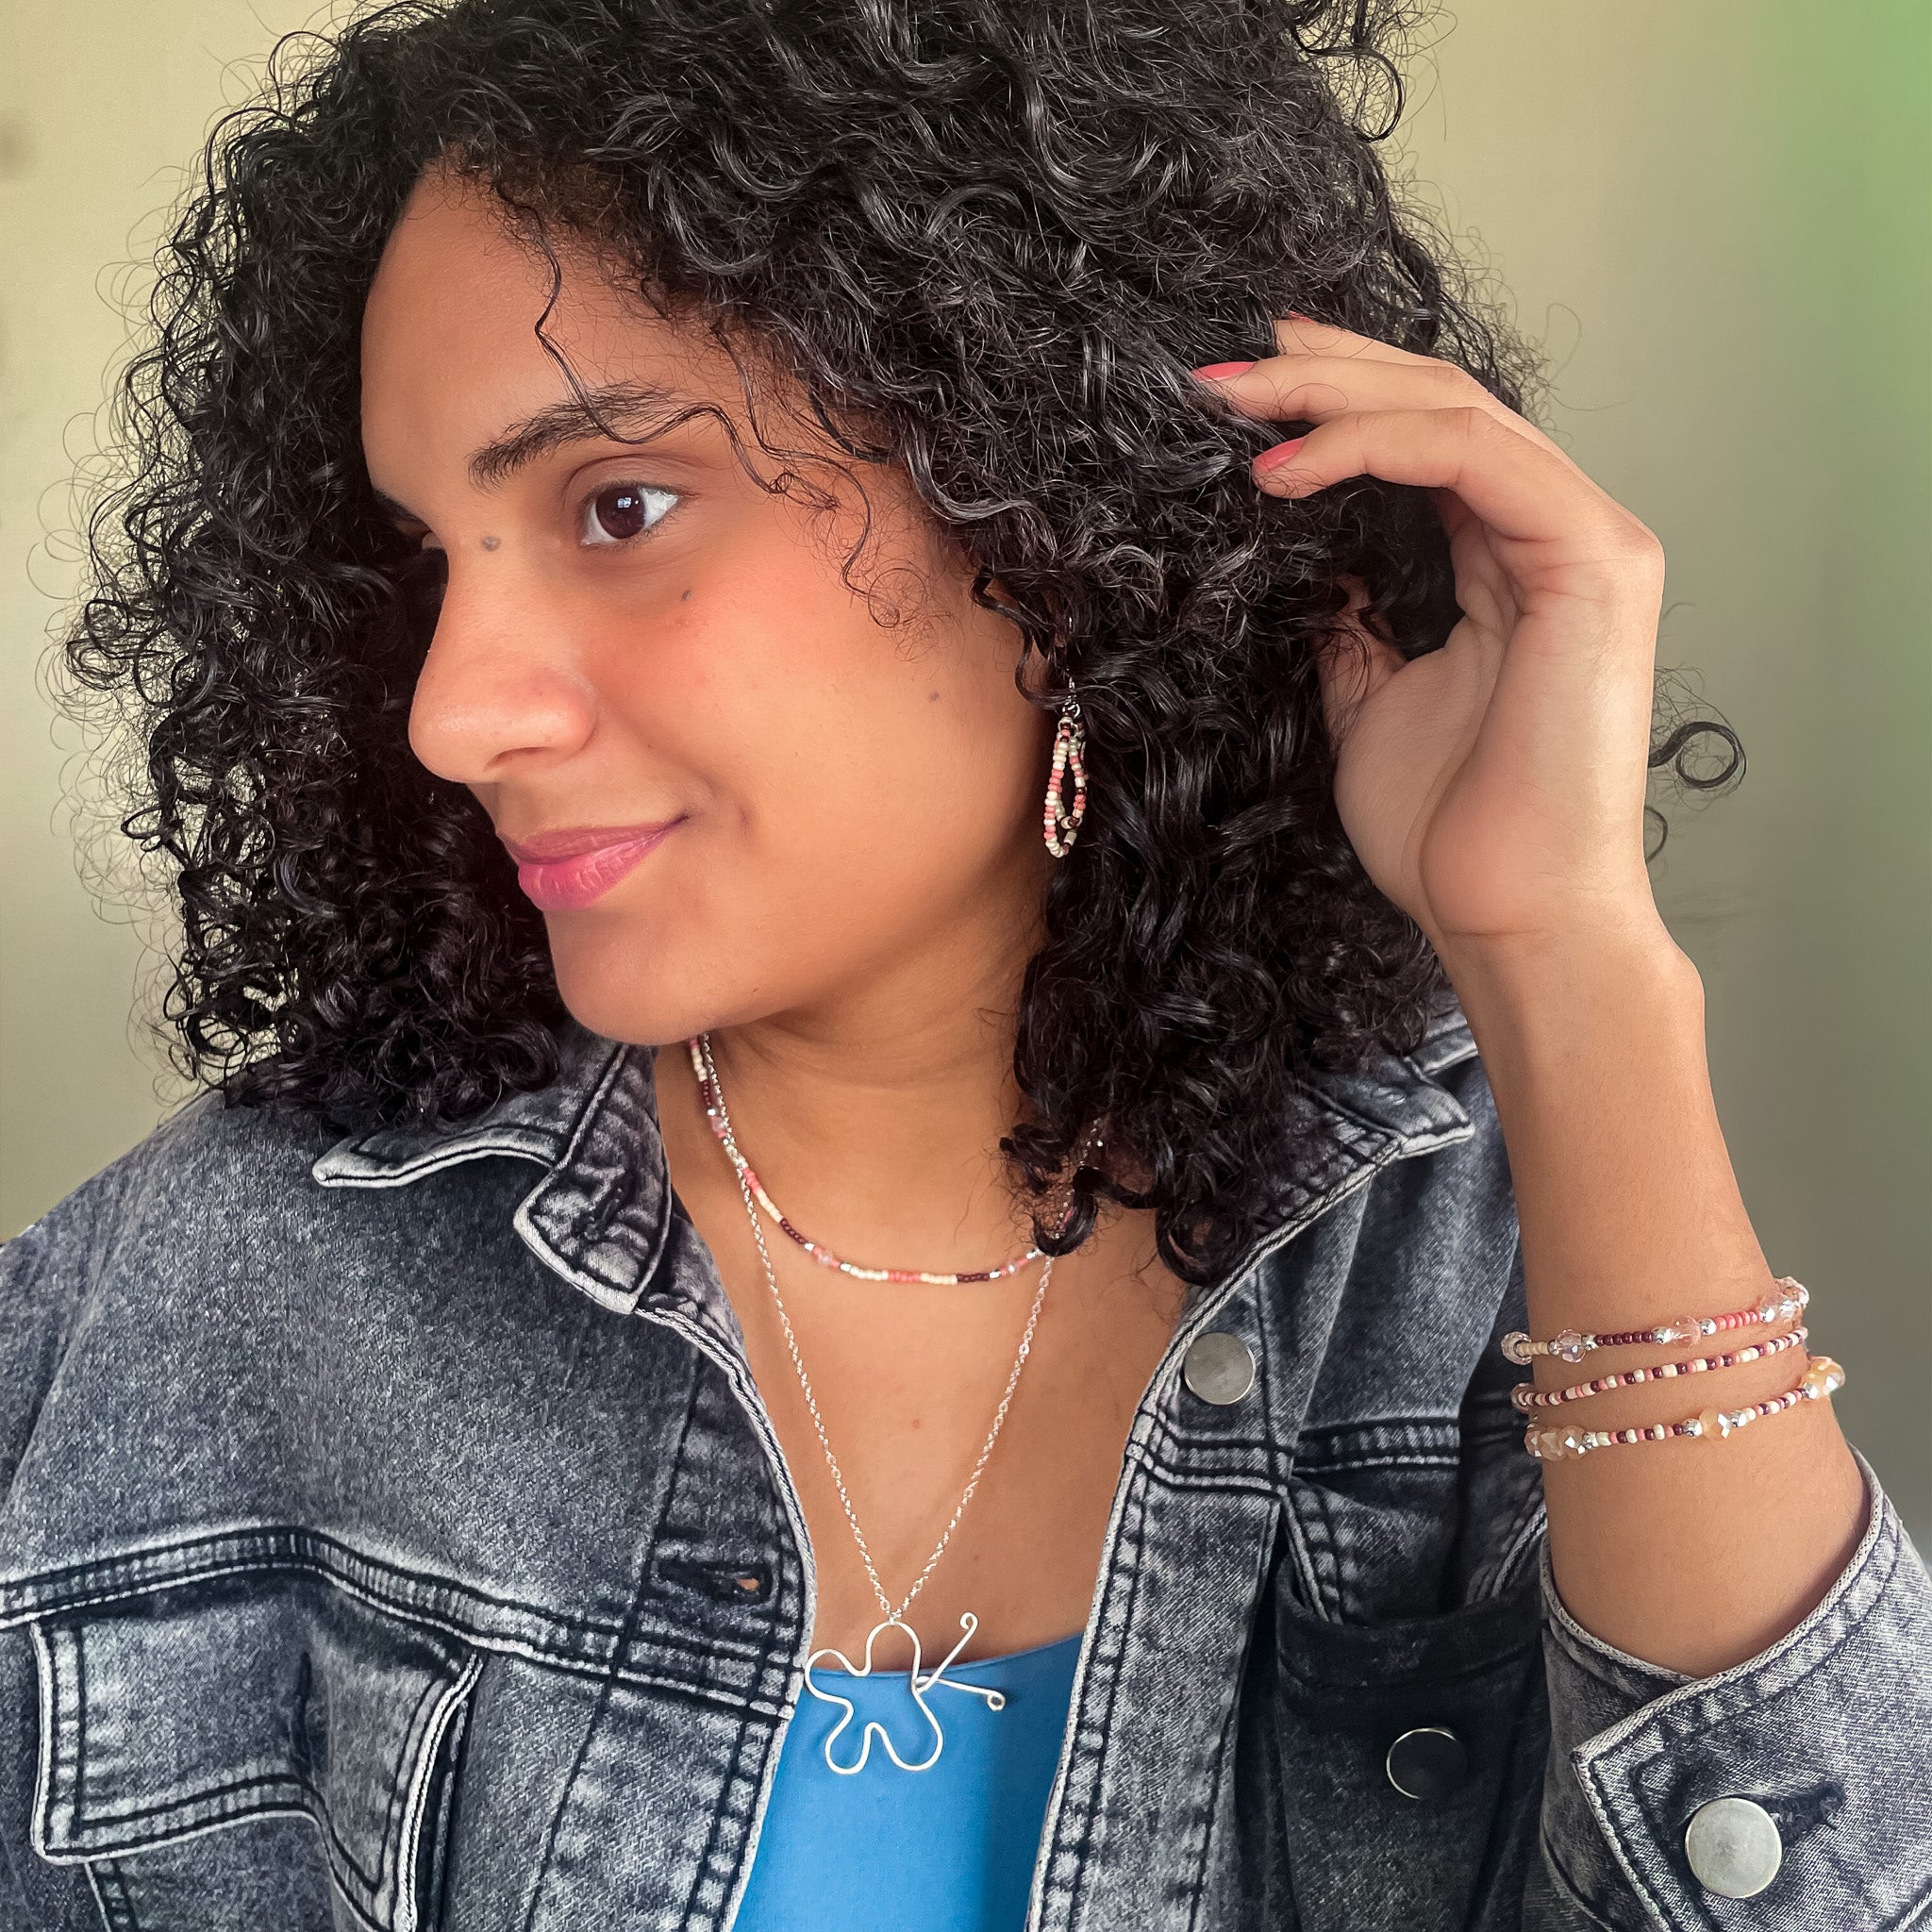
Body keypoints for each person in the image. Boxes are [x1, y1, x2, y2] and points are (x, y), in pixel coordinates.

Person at [3, 1, 1926, 1926]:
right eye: (430, 559)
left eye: (618, 506)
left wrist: (1570, 959)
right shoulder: (205, 1302)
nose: (452, 711)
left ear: (1052, 498)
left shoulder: (1460, 1281)